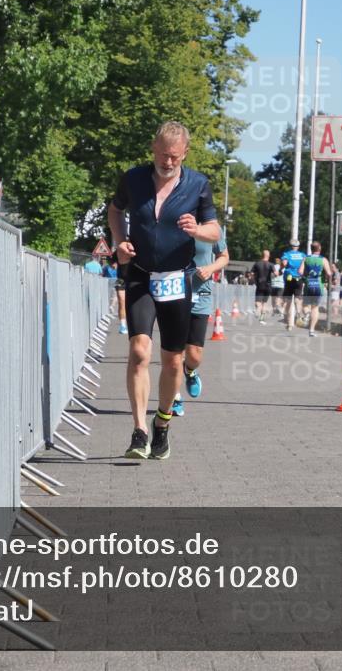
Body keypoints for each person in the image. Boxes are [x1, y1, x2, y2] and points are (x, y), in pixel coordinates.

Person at [108, 121, 220, 460]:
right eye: (162, 155)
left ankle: (162, 423)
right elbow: (115, 210)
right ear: (153, 149)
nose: (167, 162)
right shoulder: (134, 179)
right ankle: (139, 431)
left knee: (173, 362)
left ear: (185, 153)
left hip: (176, 279)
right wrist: (120, 242)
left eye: (174, 156)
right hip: (141, 274)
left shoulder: (198, 184)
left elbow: (214, 230)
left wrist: (198, 230)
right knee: (139, 351)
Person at [173, 235, 230, 416]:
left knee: (195, 355)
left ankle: (190, 371)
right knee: (174, 353)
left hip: (201, 294)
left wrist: (210, 268)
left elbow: (224, 256)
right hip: (173, 292)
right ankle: (174, 398)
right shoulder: (173, 222)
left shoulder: (211, 228)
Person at [302, 242, 332, 336]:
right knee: (315, 308)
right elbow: (329, 273)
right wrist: (327, 280)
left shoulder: (306, 258)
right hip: (318, 285)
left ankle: (307, 313)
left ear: (311, 249)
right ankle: (311, 330)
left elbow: (300, 271)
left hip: (308, 284)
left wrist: (305, 276)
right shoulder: (323, 259)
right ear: (319, 249)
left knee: (305, 305)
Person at [280, 239, 306, 330]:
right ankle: (299, 315)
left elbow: (284, 263)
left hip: (289, 278)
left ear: (290, 246)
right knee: (297, 299)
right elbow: (305, 265)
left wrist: (281, 268)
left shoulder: (286, 254)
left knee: (288, 301)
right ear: (298, 247)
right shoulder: (302, 255)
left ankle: (289, 323)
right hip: (299, 278)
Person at [251, 250, 274, 324]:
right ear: (268, 256)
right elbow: (276, 273)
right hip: (268, 285)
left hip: (260, 285)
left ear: (262, 255)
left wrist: (254, 279)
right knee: (264, 302)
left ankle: (258, 309)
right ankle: (262, 317)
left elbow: (251, 273)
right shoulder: (271, 265)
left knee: (258, 302)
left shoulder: (257, 264)